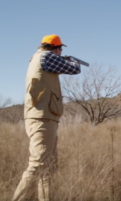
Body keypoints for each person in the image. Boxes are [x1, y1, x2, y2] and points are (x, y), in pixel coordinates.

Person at [12, 34, 81, 201]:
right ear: (55, 48)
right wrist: (74, 61)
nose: (60, 51)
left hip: (44, 116)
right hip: (42, 118)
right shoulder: (47, 56)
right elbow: (75, 69)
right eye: (60, 49)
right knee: (37, 165)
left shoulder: (37, 57)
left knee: (47, 166)